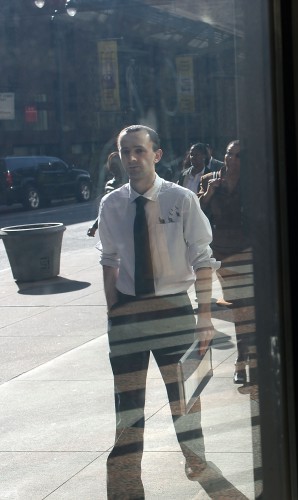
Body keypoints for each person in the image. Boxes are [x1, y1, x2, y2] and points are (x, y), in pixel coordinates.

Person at [97, 125, 219, 497]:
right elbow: (109, 259)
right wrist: (114, 310)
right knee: (128, 403)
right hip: (129, 312)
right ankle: (127, 482)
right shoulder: (112, 204)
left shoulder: (181, 199)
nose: (131, 159)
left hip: (173, 310)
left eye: (139, 151)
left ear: (157, 155)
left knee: (184, 397)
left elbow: (202, 258)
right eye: (125, 152)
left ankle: (194, 457)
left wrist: (204, 316)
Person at [197, 140, 254, 384]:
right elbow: (197, 213)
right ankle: (243, 360)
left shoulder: (253, 182)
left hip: (249, 250)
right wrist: (209, 192)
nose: (232, 160)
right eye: (229, 154)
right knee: (238, 306)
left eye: (238, 156)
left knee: (248, 306)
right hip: (222, 252)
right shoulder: (210, 179)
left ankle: (246, 358)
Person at [88, 152, 127, 237]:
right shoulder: (110, 185)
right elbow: (105, 209)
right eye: (113, 165)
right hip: (114, 227)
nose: (115, 168)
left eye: (118, 164)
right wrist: (94, 226)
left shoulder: (133, 182)